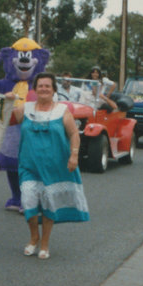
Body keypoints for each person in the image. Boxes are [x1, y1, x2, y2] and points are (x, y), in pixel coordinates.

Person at [11, 72, 89, 260]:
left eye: (48, 86)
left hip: (54, 167)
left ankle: (44, 243)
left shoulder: (62, 111)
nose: (44, 89)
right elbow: (5, 117)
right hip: (29, 166)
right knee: (28, 200)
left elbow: (74, 134)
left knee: (48, 204)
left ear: (54, 90)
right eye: (40, 86)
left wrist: (74, 155)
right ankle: (33, 237)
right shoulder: (25, 108)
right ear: (35, 89)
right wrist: (7, 100)